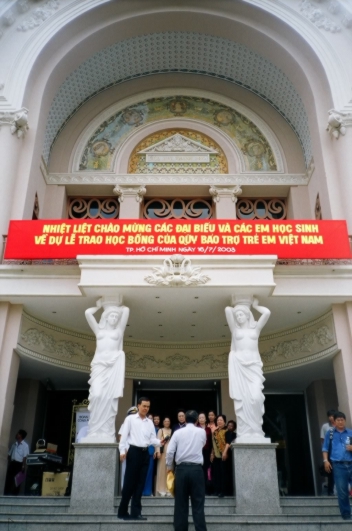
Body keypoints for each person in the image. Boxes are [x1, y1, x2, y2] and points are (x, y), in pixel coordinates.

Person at [225, 298, 270, 442]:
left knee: (256, 397)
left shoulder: (255, 329)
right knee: (244, 401)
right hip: (240, 368)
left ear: (247, 315)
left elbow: (267, 313)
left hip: (254, 368)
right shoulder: (235, 330)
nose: (238, 317)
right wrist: (237, 308)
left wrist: (255, 306)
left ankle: (256, 429)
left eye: (241, 315)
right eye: (237, 315)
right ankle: (246, 432)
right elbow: (227, 310)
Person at [84, 300, 129, 442]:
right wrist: (98, 307)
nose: (115, 319)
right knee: (97, 395)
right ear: (106, 317)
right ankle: (94, 431)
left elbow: (126, 311)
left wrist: (120, 307)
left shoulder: (119, 331)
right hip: (99, 366)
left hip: (112, 367)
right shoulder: (99, 330)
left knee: (109, 399)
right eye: (112, 316)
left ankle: (106, 432)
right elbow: (87, 313)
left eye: (117, 317)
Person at [117, 397, 160, 521]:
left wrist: (160, 442)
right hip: (133, 452)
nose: (146, 408)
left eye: (148, 406)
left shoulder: (149, 422)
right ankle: (122, 511)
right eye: (144, 406)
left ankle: (136, 512)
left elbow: (152, 439)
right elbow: (123, 437)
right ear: (138, 405)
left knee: (140, 484)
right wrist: (122, 451)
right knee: (129, 483)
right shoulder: (130, 419)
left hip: (145, 454)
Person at [166, 410, 207, 531]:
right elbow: (203, 444)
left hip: (181, 470)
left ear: (185, 419)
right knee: (198, 505)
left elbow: (169, 452)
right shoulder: (202, 432)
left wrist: (170, 468)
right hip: (196, 470)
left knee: (180, 505)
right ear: (196, 421)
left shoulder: (178, 432)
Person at [322, 411, 352, 520]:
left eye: (342, 420)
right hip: (338, 465)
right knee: (342, 492)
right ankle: (346, 515)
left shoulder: (350, 433)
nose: (340, 422)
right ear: (334, 421)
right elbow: (325, 448)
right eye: (338, 420)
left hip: (351, 462)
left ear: (345, 420)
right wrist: (326, 461)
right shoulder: (330, 433)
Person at [118, 406, 138, 490]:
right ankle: (125, 489)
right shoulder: (125, 424)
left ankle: (134, 490)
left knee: (136, 471)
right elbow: (121, 437)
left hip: (137, 451)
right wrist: (124, 449)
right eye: (131, 415)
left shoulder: (139, 425)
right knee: (125, 471)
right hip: (127, 450)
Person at [4, 430, 29, 495]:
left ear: (21, 436)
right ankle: (6, 493)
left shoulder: (25, 446)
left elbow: (25, 456)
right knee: (9, 479)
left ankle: (14, 495)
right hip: (12, 463)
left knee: (17, 481)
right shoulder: (14, 444)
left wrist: (23, 465)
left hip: (19, 464)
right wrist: (9, 462)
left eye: (18, 434)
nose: (16, 435)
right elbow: (9, 454)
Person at [210, 415, 228, 497]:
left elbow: (228, 443)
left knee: (223, 474)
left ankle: (223, 491)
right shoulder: (215, 432)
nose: (219, 421)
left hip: (224, 455)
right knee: (216, 474)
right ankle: (216, 490)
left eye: (221, 420)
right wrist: (212, 453)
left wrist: (224, 452)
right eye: (218, 420)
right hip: (216, 456)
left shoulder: (227, 431)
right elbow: (213, 444)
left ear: (224, 422)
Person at [320, 409, 336, 496]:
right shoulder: (325, 426)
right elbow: (322, 440)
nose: (331, 418)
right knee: (331, 472)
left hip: (339, 452)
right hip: (329, 452)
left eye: (332, 416)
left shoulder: (339, 426)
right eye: (329, 416)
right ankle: (331, 491)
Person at [155, 417, 172, 496]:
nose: (167, 422)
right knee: (161, 471)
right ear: (163, 422)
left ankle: (169, 489)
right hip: (162, 453)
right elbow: (157, 441)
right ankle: (161, 489)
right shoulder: (160, 430)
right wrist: (157, 451)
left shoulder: (172, 431)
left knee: (169, 470)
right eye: (165, 421)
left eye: (168, 421)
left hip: (170, 453)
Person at [197, 412, 212, 492]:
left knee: (206, 469)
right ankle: (198, 488)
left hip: (207, 451)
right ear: (198, 419)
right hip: (198, 451)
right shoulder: (196, 428)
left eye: (203, 417)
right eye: (200, 418)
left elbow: (211, 441)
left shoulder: (208, 429)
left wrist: (211, 452)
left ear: (205, 419)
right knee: (199, 469)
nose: (202, 419)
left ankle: (206, 489)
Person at [223, 420, 237, 495]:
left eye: (231, 426)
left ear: (234, 427)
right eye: (228, 425)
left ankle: (231, 491)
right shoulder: (226, 433)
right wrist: (225, 452)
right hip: (226, 454)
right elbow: (228, 443)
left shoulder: (236, 435)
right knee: (226, 473)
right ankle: (227, 491)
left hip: (233, 454)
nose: (229, 427)